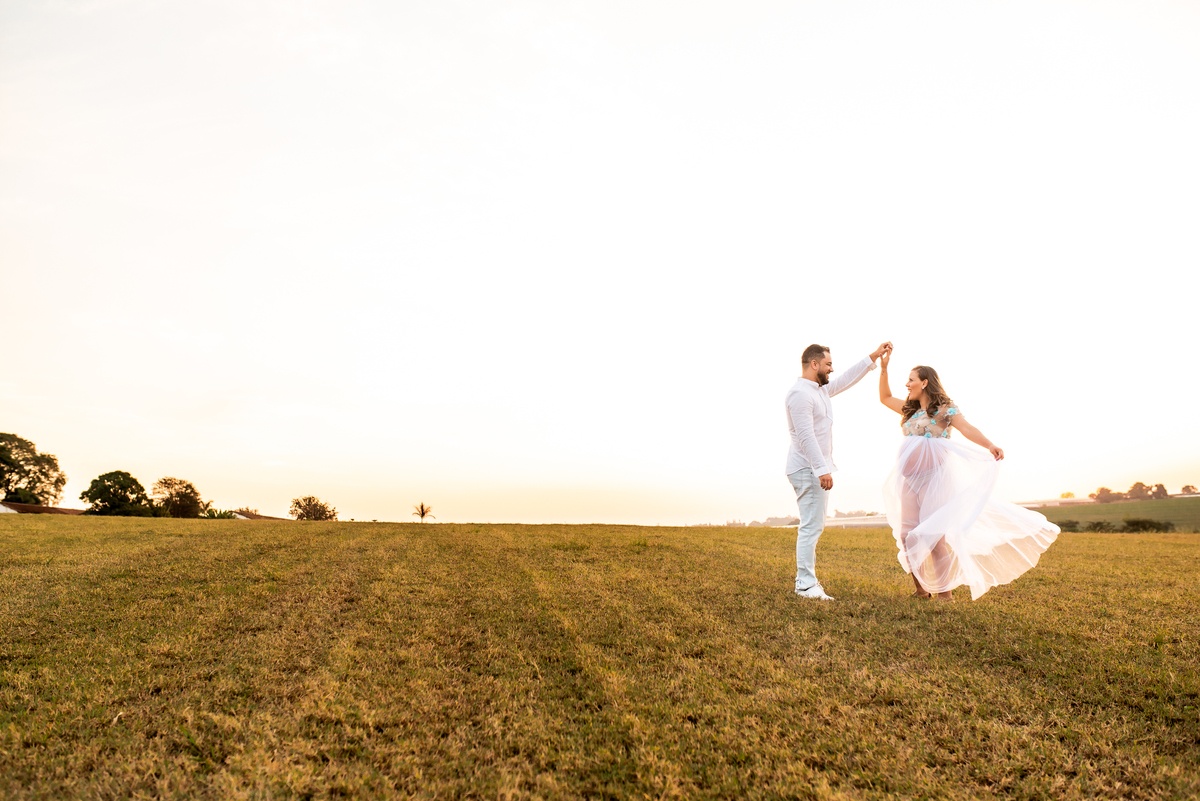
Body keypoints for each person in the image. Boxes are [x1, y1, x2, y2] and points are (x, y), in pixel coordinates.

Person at [877, 352, 1059, 600]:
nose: (907, 384)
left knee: (933, 538)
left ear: (925, 382)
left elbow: (967, 428)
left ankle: (945, 595)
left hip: (934, 481)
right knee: (907, 536)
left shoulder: (945, 410)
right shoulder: (909, 410)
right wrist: (884, 368)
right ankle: (921, 590)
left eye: (911, 380)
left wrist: (990, 445)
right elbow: (885, 397)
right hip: (909, 482)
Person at [786, 341, 893, 600]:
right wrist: (821, 469)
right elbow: (805, 436)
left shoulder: (818, 390)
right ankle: (806, 585)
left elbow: (845, 379)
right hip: (807, 468)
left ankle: (806, 581)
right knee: (811, 526)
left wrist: (873, 357)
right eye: (828, 364)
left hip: (812, 467)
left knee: (814, 525)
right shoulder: (801, 394)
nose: (832, 369)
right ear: (814, 364)